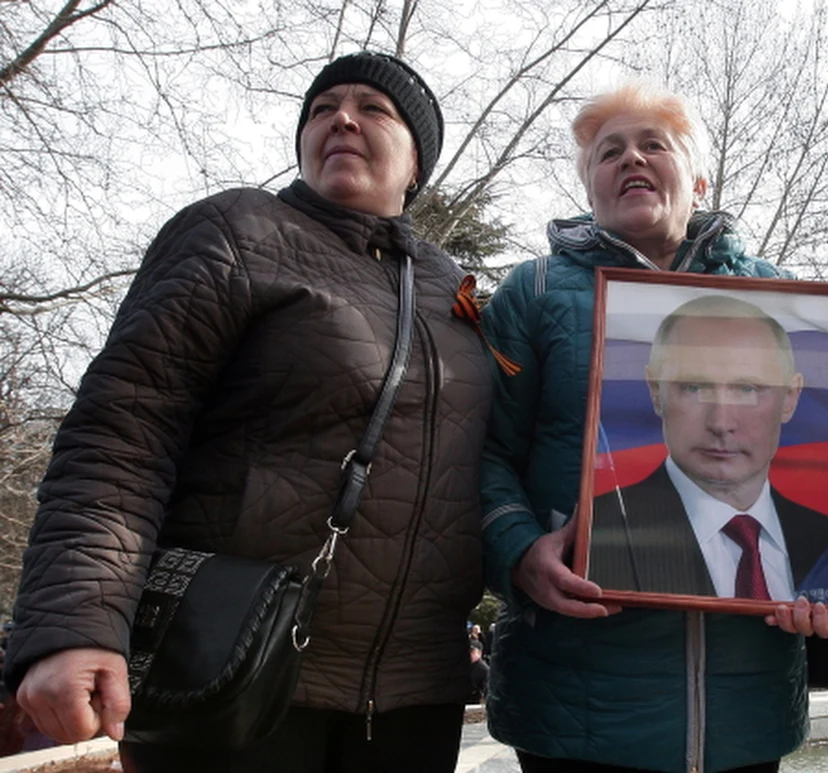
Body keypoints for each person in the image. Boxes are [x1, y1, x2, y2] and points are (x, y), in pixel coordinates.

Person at [3, 51, 493, 773]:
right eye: (322, 109)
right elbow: (122, 435)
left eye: (372, 108)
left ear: (417, 162)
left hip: (414, 698)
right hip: (231, 670)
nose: (342, 119)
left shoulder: (457, 295)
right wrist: (76, 620)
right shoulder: (239, 232)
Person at [480, 82, 828, 773]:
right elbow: (483, 451)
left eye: (652, 144)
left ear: (697, 179)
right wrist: (517, 551)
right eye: (609, 152)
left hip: (746, 714)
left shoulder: (785, 299)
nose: (631, 159)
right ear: (591, 187)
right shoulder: (535, 292)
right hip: (577, 708)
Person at [589, 294, 828, 601]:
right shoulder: (596, 533)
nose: (721, 423)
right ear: (656, 392)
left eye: (747, 388)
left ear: (790, 398)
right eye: (694, 387)